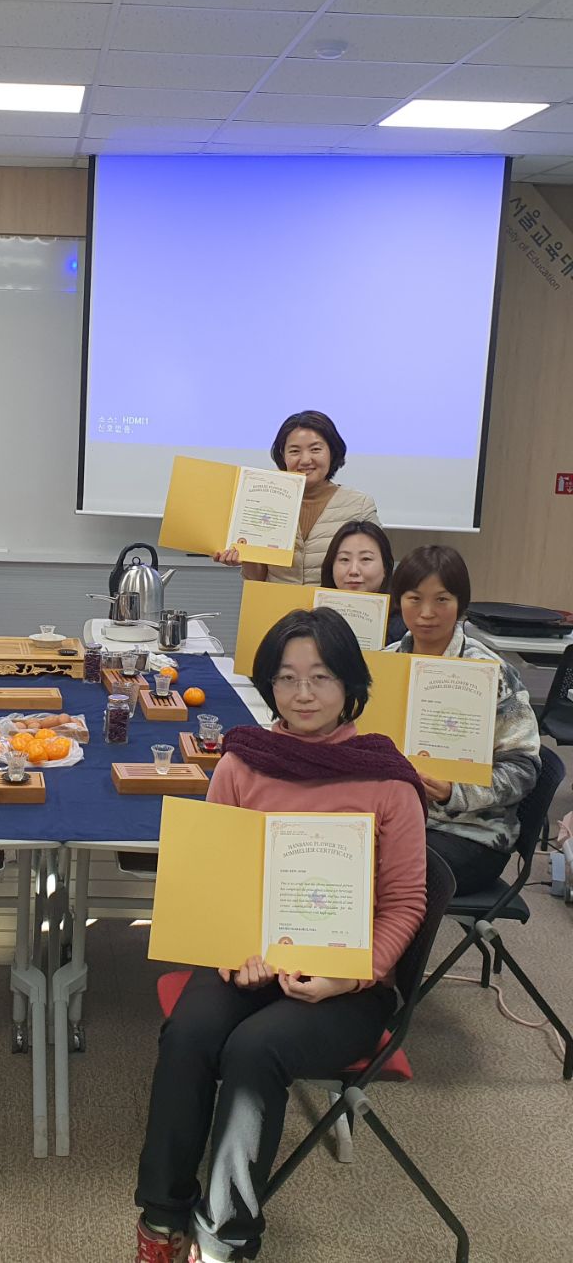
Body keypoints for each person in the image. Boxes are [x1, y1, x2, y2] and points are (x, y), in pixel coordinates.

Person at [135, 608, 427, 1262]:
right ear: (269, 684)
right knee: (188, 1034)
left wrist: (348, 977)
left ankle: (225, 1236)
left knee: (254, 1050)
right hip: (248, 961)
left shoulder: (387, 780)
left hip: (348, 984)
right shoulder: (243, 764)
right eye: (287, 678)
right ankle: (161, 1218)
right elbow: (215, 882)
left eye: (320, 677)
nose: (302, 694)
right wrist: (229, 952)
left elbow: (406, 903)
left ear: (350, 683)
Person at [387, 545, 541, 894]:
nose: (427, 613)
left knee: (385, 872)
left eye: (442, 599)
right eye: (414, 599)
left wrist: (454, 792)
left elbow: (524, 768)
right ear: (399, 601)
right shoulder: (384, 666)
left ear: (461, 604)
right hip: (395, 819)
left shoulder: (491, 673)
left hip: (470, 833)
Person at [213, 411, 379, 586]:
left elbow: (375, 572)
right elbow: (257, 578)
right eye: (294, 451)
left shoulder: (359, 506)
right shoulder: (264, 500)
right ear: (283, 455)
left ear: (332, 452)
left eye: (315, 449)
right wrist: (243, 557)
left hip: (333, 604)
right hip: (277, 602)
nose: (305, 460)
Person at [320, 519, 406, 644]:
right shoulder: (314, 620)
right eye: (344, 559)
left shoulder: (405, 626)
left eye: (365, 559)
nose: (353, 570)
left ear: (386, 568)